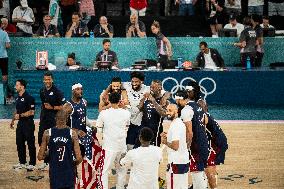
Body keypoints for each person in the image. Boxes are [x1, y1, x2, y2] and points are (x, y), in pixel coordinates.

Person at [38, 107, 82, 189]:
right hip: (69, 172)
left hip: (55, 172)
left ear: (55, 118)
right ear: (67, 119)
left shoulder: (47, 133)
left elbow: (40, 157)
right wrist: (72, 164)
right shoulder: (72, 134)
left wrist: (49, 152)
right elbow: (79, 158)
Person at [174, 89, 209, 189]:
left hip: (195, 144)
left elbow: (189, 132)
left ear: (180, 99)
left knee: (196, 170)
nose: (176, 103)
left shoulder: (185, 110)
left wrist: (187, 146)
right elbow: (205, 121)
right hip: (204, 141)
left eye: (177, 101)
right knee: (201, 169)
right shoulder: (197, 104)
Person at [96, 92, 131, 189]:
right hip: (122, 147)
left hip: (108, 147)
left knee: (104, 171)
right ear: (120, 100)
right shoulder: (126, 113)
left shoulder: (103, 113)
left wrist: (102, 141)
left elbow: (99, 129)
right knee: (122, 170)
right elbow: (126, 128)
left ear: (109, 100)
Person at [197, 99, 228, 189]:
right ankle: (202, 183)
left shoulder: (204, 117)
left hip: (217, 144)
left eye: (200, 106)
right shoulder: (207, 115)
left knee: (209, 167)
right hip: (219, 142)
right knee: (208, 165)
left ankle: (212, 185)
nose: (198, 108)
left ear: (204, 107)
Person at [38, 71, 65, 170]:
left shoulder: (57, 91)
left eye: (49, 79)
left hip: (53, 120)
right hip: (44, 120)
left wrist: (52, 107)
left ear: (52, 79)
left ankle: (52, 162)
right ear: (43, 80)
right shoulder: (42, 91)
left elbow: (63, 107)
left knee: (53, 141)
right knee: (41, 140)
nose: (47, 81)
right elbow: (43, 105)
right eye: (45, 79)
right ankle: (46, 162)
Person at [161, 104, 189, 189]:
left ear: (177, 111)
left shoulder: (176, 125)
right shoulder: (178, 122)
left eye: (170, 110)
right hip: (183, 160)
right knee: (182, 186)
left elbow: (175, 146)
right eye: (167, 110)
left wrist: (165, 142)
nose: (167, 112)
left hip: (176, 162)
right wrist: (169, 135)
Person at [10, 79, 36, 171]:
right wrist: (13, 120)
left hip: (28, 123)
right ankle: (22, 162)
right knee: (19, 143)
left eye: (17, 85)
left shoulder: (30, 98)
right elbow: (16, 110)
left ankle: (32, 163)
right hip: (20, 124)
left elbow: (32, 112)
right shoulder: (17, 97)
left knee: (30, 143)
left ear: (22, 86)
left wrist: (20, 115)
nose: (15, 87)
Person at [138, 80, 170, 146]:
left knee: (153, 152)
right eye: (151, 87)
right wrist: (143, 99)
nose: (151, 89)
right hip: (143, 130)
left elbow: (164, 114)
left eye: (154, 87)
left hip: (155, 132)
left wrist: (153, 101)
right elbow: (139, 108)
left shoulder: (164, 101)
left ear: (159, 88)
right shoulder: (147, 98)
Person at [124, 71, 150, 150]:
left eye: (136, 82)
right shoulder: (126, 85)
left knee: (141, 146)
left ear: (141, 81)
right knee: (129, 146)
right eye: (132, 81)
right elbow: (114, 84)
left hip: (141, 121)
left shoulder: (147, 89)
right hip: (129, 122)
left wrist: (165, 97)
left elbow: (166, 93)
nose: (134, 83)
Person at [0, 21, 10, 103]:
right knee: (4, 74)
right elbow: (7, 45)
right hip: (3, 56)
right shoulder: (4, 33)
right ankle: (4, 92)